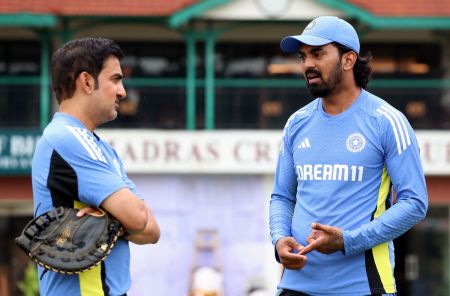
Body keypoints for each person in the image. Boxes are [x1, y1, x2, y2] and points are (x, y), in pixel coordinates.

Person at [269, 16, 428, 296]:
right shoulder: (297, 123)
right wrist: (280, 239)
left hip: (363, 287)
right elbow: (282, 196)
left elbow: (415, 203)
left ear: (348, 60)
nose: (307, 64)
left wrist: (348, 241)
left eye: (318, 54)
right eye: (303, 56)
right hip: (297, 286)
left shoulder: (387, 121)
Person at [31, 37, 160, 296]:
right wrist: (123, 218)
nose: (122, 91)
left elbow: (152, 229)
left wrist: (105, 218)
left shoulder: (103, 149)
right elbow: (137, 217)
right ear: (87, 82)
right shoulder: (67, 138)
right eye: (115, 79)